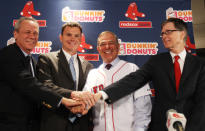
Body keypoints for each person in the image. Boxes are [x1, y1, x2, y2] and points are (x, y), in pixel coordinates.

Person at [95, 18, 205, 131]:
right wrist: (103, 94)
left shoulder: (200, 65)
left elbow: (202, 103)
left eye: (168, 32)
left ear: (182, 34)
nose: (164, 36)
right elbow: (132, 80)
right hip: (160, 127)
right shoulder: (156, 61)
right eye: (162, 33)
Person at [0, 17, 89, 131]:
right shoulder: (8, 55)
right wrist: (64, 100)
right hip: (9, 124)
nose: (32, 36)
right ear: (15, 34)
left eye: (35, 33)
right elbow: (30, 85)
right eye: (27, 32)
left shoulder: (31, 60)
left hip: (29, 124)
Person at [83, 31, 152, 131]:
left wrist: (140, 129)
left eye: (111, 43)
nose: (107, 47)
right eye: (103, 44)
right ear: (98, 49)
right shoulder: (92, 74)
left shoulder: (132, 69)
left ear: (118, 46)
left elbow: (143, 106)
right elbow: (85, 105)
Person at [36, 22, 94, 131]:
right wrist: (73, 94)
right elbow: (46, 86)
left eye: (76, 36)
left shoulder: (88, 65)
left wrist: (85, 106)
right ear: (61, 37)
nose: (73, 39)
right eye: (69, 35)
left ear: (81, 39)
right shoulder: (47, 58)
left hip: (80, 123)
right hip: (54, 122)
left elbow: (89, 93)